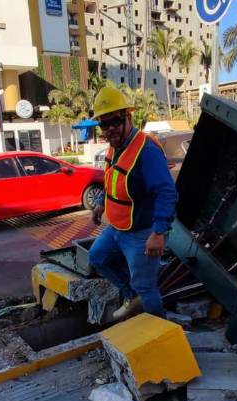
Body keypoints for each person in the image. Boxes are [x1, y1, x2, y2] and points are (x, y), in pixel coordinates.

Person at [88, 86, 177, 320]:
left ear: (128, 117)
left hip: (141, 232)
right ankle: (131, 297)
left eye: (115, 122)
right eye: (103, 125)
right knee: (97, 257)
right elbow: (112, 178)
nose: (109, 130)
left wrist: (159, 232)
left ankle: (160, 331)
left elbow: (167, 192)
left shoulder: (146, 150)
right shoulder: (115, 146)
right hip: (117, 228)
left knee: (145, 286)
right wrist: (100, 202)